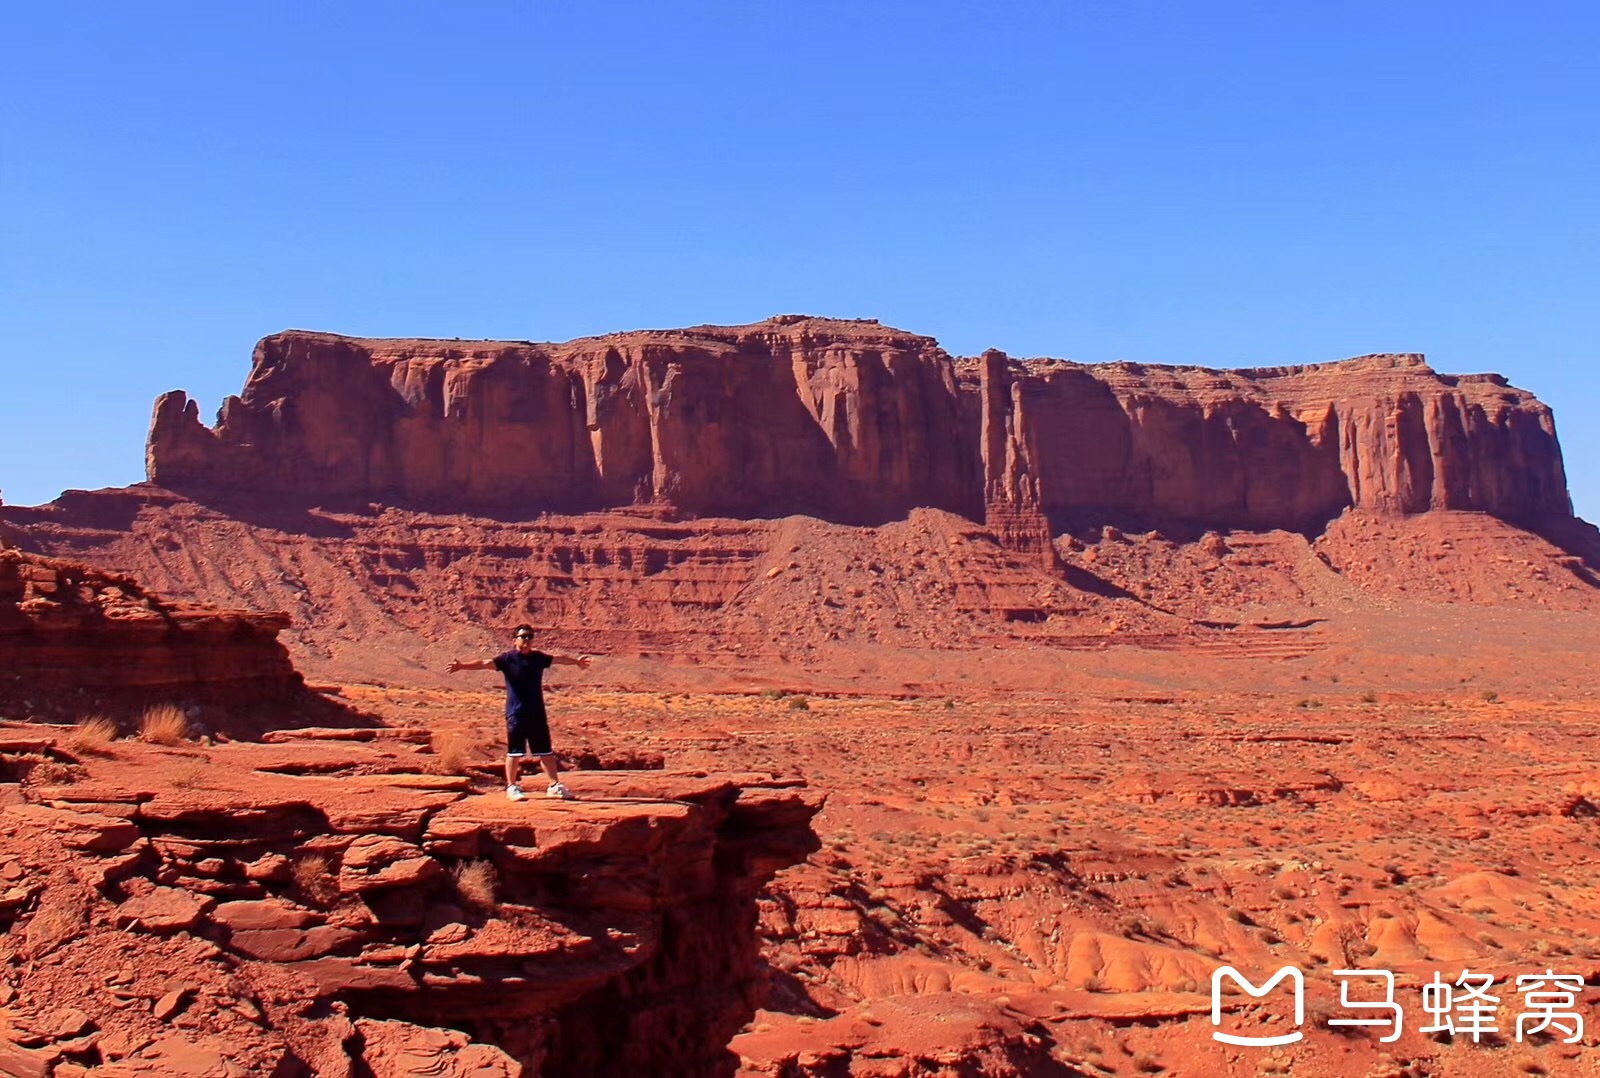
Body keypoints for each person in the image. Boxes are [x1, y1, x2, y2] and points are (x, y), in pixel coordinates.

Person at [447, 625, 592, 801]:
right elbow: (484, 663)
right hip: (516, 712)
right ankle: (511, 787)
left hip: (537, 712)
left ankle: (554, 785)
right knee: (515, 752)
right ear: (515, 638)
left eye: (530, 637)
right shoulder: (507, 659)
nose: (527, 640)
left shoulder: (538, 658)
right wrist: (462, 666)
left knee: (545, 751)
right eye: (523, 636)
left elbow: (559, 659)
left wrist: (576, 661)